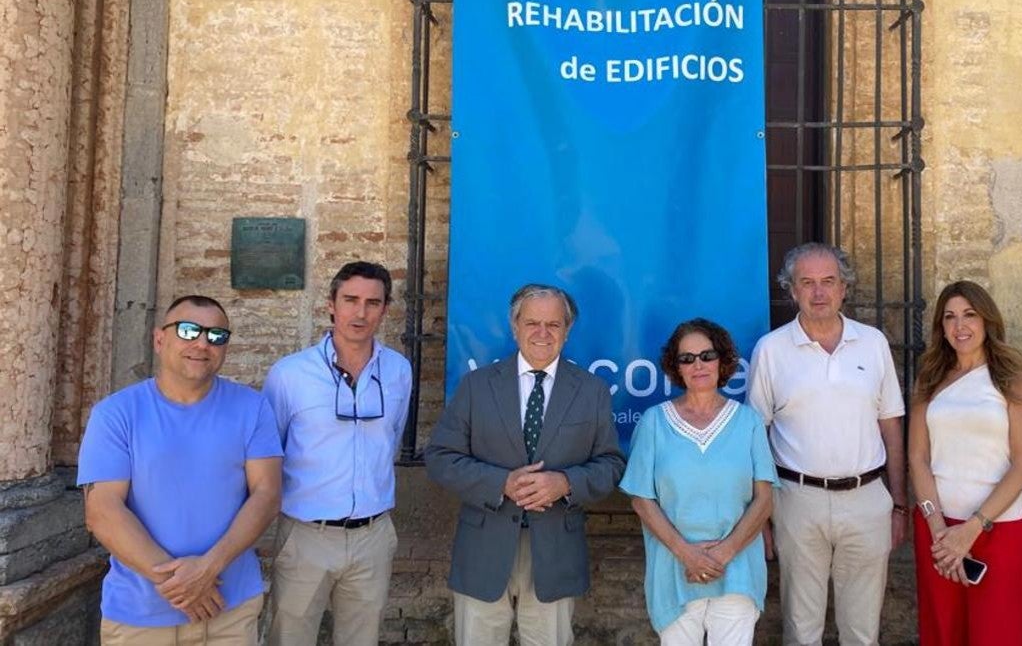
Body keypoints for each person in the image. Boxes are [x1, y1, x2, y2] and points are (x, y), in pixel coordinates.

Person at [426, 283, 625, 646]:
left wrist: (565, 482)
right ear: (515, 326)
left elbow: (611, 464)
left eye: (553, 324)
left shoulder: (592, 391)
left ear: (567, 331)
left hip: (554, 553)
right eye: (532, 323)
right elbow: (440, 458)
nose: (542, 333)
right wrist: (499, 482)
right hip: (484, 548)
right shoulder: (477, 386)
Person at [79, 295, 282, 645]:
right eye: (189, 331)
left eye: (216, 335)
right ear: (160, 340)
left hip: (229, 610)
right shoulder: (115, 414)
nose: (202, 343)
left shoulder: (252, 408)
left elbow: (267, 494)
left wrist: (208, 570)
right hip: (140, 614)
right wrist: (184, 587)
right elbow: (102, 512)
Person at [747, 242, 907, 646]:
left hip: (867, 498)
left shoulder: (873, 344)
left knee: (862, 629)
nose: (819, 293)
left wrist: (900, 504)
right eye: (807, 283)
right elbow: (755, 437)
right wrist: (760, 514)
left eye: (828, 282)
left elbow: (891, 425)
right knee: (801, 628)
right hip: (797, 499)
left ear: (844, 288)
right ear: (791, 290)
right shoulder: (771, 350)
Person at [262, 261, 413, 646]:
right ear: (331, 304)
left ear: (385, 309)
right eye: (350, 300)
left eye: (372, 302)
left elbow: (390, 440)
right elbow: (269, 454)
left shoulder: (399, 370)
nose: (360, 313)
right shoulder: (289, 374)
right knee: (288, 638)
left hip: (373, 535)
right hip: (306, 534)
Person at [621, 318, 778, 645]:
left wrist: (722, 554)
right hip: (674, 569)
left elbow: (764, 499)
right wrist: (687, 554)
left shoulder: (748, 421)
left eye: (707, 355)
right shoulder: (654, 422)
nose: (698, 365)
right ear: (676, 367)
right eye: (687, 358)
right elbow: (641, 499)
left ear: (722, 360)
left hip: (736, 570)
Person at [907, 280, 1022, 645]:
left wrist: (971, 529)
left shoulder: (1014, 380)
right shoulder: (930, 379)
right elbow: (917, 458)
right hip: (937, 531)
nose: (959, 326)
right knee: (942, 631)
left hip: (998, 529)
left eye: (969, 315)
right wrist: (938, 530)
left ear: (987, 321)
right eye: (949, 317)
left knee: (997, 632)